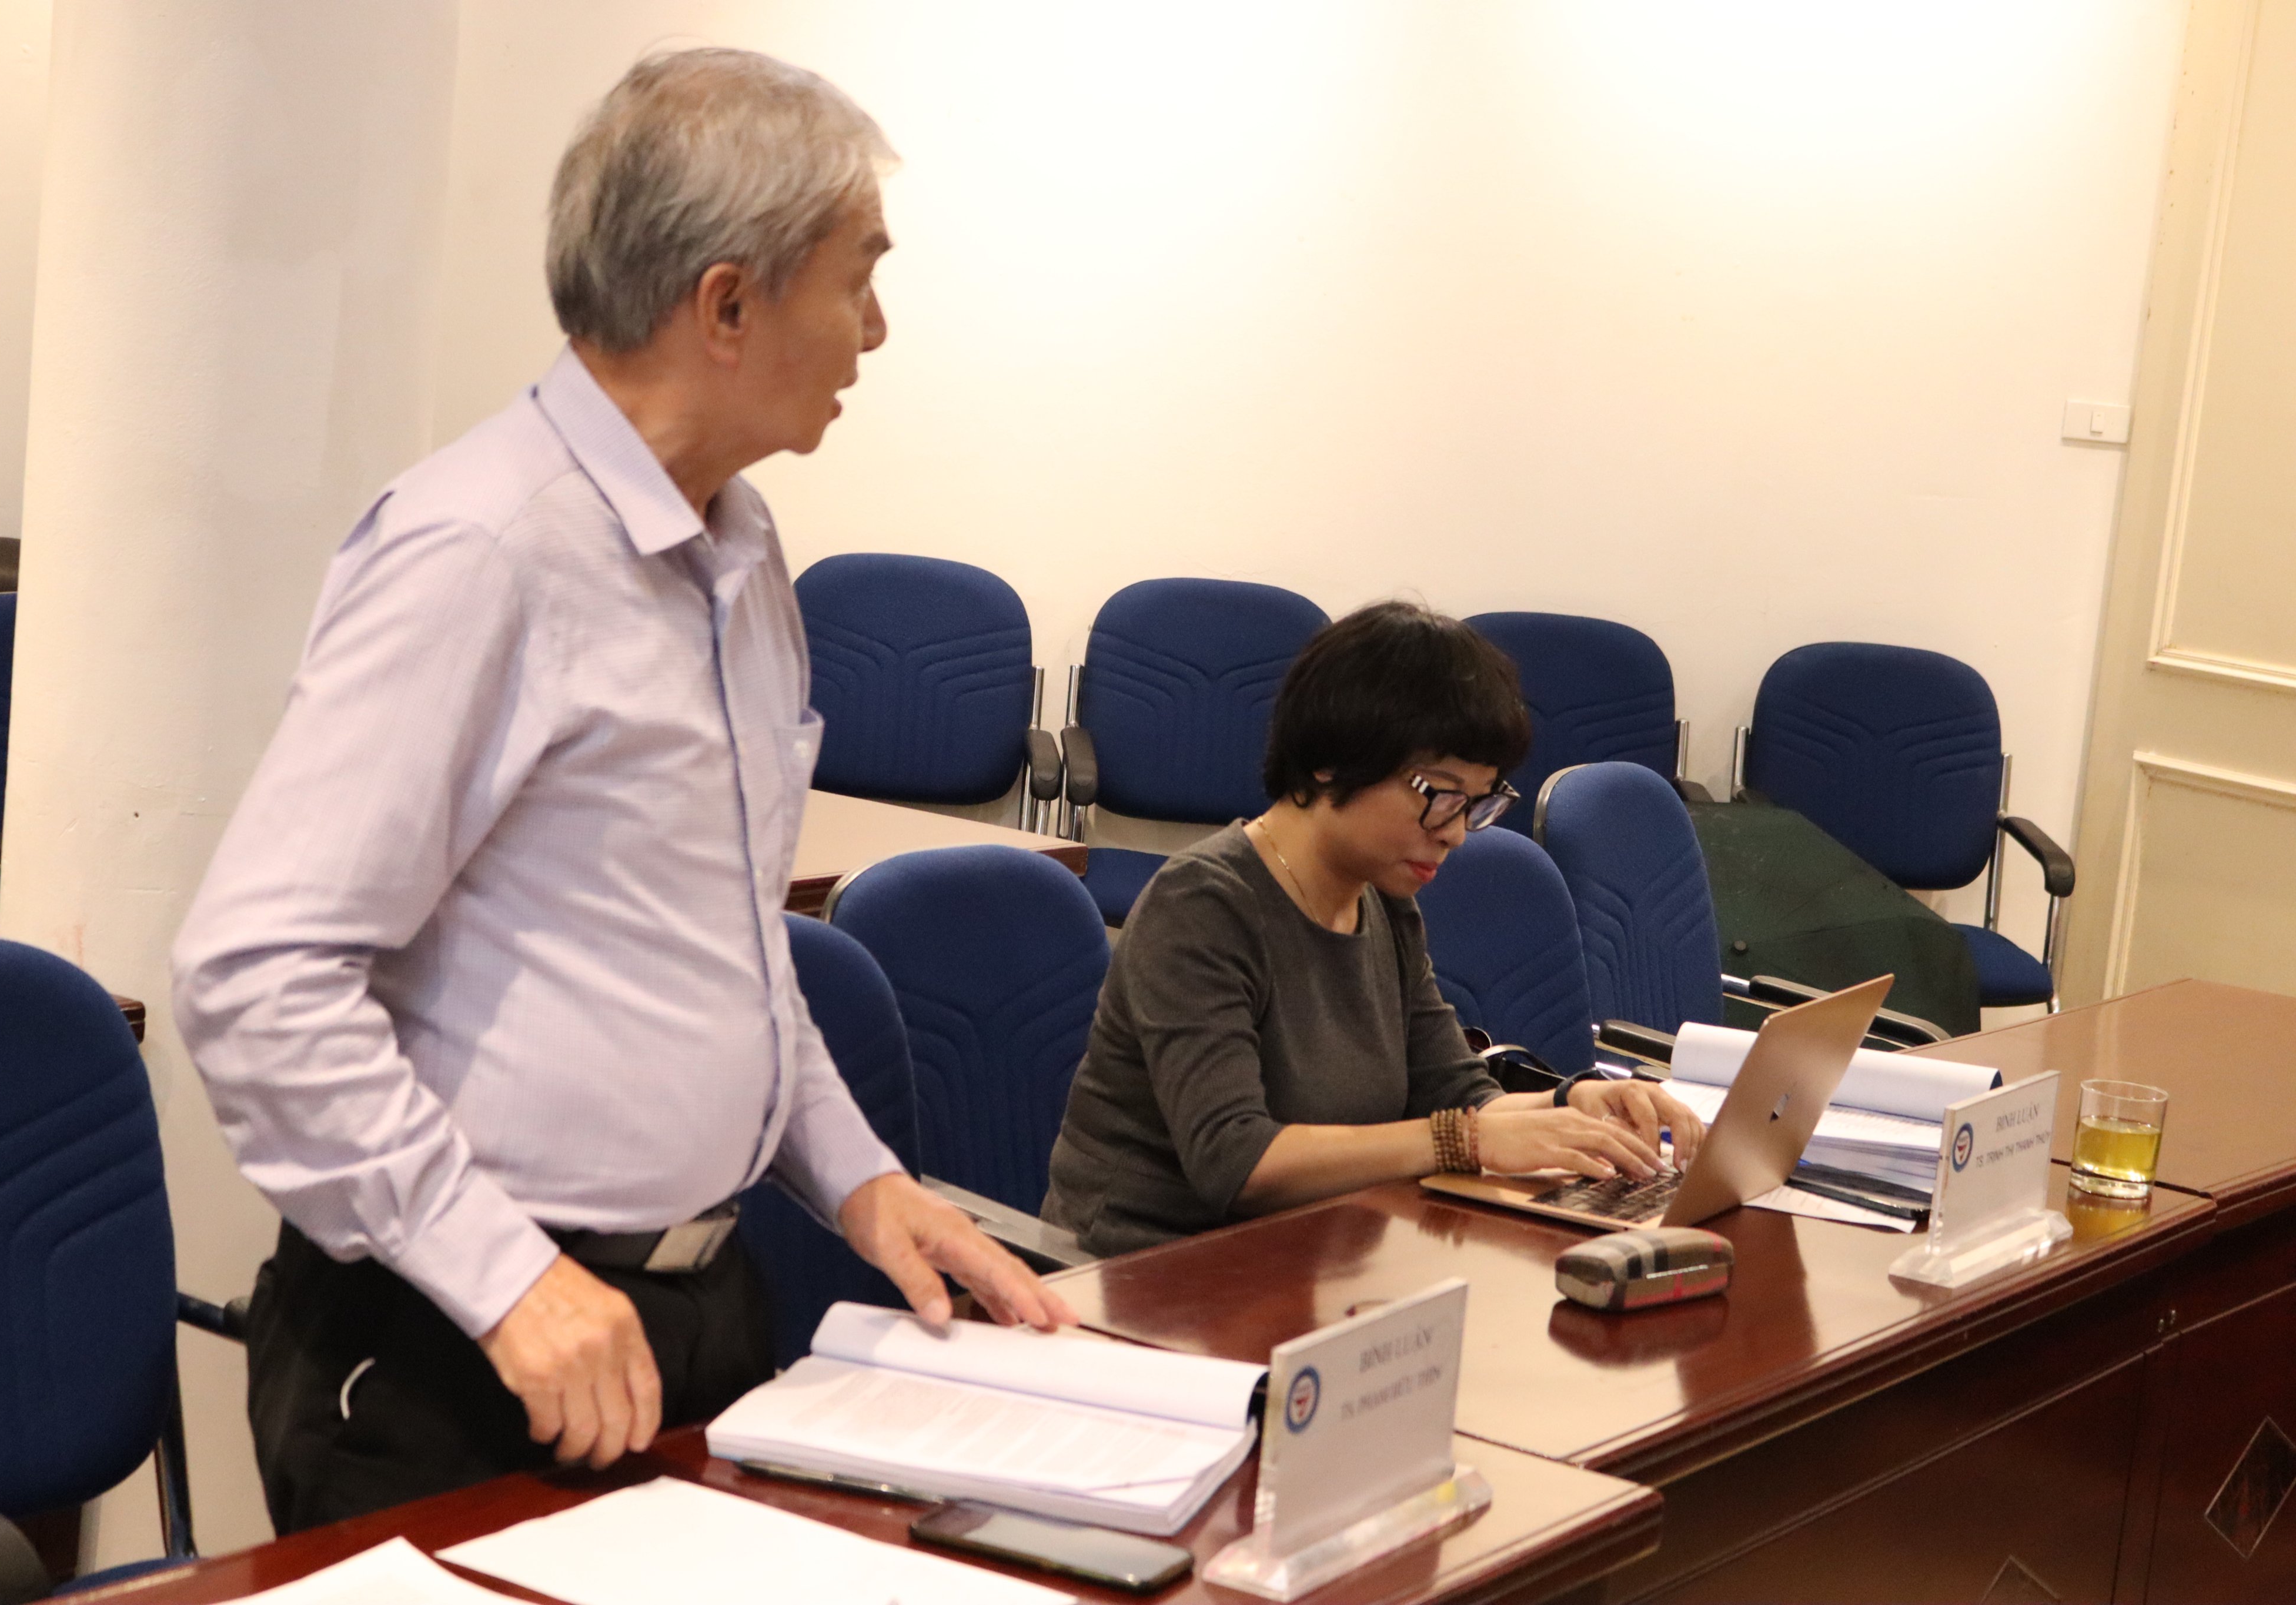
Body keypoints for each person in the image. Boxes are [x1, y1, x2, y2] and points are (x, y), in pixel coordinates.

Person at [173, 49, 1069, 1534]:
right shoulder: (481, 549)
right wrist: (503, 1277)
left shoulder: (742, 550)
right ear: (727, 305)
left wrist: (859, 1180)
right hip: (463, 1348)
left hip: (694, 1310)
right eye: (858, 278)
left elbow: (725, 947)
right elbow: (254, 977)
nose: (877, 327)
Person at [1041, 601, 1708, 1256]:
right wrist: (1466, 1141)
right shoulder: (1203, 905)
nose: (1455, 834)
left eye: (1478, 804)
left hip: (1312, 1256)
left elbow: (1456, 1092)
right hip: (1148, 1271)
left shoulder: (1381, 900)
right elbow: (1237, 1162)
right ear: (1331, 761)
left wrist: (1577, 1104)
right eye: (1440, 796)